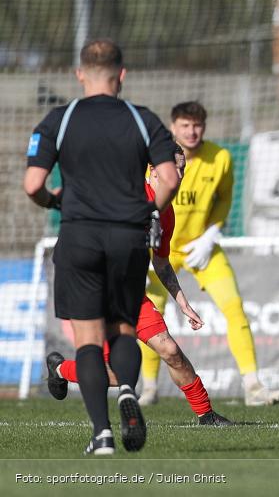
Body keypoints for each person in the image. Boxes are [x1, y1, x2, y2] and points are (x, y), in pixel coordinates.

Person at [24, 39, 179, 455]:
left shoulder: (61, 118)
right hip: (127, 238)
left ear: (79, 74)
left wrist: (56, 202)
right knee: (124, 329)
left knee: (90, 341)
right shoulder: (145, 120)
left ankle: (102, 434)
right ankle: (128, 388)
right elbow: (170, 178)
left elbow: (33, 185)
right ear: (122, 75)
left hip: (79, 237)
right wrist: (149, 212)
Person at [46, 145, 233, 426]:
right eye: (174, 167)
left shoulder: (166, 214)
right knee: (114, 375)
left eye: (183, 169)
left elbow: (161, 263)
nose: (180, 174)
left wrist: (183, 302)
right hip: (93, 289)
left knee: (170, 350)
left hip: (129, 293)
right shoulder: (124, 195)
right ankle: (60, 369)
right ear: (153, 169)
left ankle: (206, 415)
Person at [139, 101, 279, 407]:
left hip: (201, 250)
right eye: (185, 125)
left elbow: (225, 199)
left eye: (197, 125)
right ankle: (149, 389)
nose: (192, 132)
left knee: (234, 308)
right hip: (160, 249)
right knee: (153, 318)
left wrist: (210, 235)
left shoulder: (220, 157)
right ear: (173, 127)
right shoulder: (153, 159)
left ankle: (253, 386)